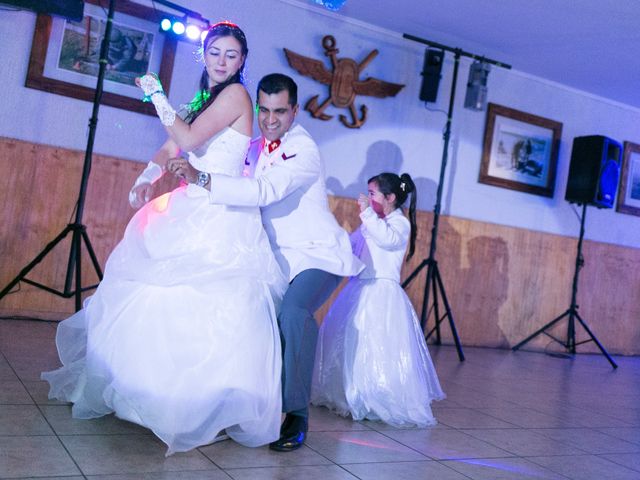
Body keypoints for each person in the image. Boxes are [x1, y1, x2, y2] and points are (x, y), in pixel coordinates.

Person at [42, 22, 286, 455]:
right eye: (215, 52)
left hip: (220, 212)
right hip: (190, 201)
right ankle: (143, 394)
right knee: (152, 293)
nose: (222, 61)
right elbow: (174, 144)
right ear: (204, 54)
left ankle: (195, 404)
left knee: (205, 304)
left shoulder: (236, 96)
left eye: (231, 55)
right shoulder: (203, 96)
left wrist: (155, 93)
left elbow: (189, 136)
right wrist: (147, 176)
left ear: (242, 61)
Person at [169, 73, 364, 451]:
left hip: (317, 254)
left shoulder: (303, 150)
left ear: (294, 111)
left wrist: (202, 177)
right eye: (264, 110)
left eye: (280, 112)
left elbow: (263, 191)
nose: (270, 119)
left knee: (293, 313)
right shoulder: (256, 145)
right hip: (273, 258)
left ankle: (297, 416)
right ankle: (236, 405)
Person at [311, 172, 445, 427]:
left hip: (381, 293)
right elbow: (353, 245)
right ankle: (346, 391)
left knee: (375, 344)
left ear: (390, 198)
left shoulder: (398, 224)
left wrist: (367, 214)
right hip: (359, 288)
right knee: (350, 342)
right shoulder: (372, 222)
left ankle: (373, 395)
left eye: (372, 194)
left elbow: (388, 239)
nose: (367, 198)